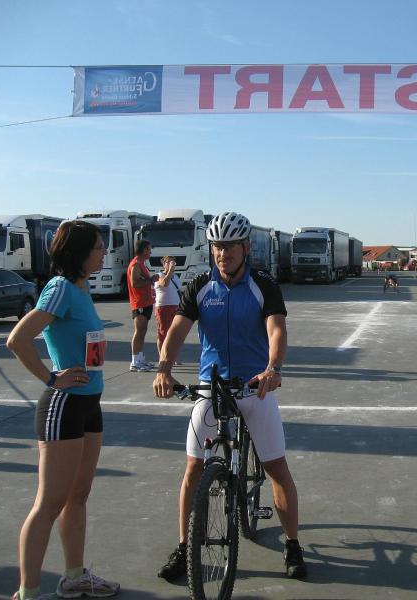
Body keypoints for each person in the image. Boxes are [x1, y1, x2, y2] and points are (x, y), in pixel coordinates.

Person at [152, 212, 307, 581]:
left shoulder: (263, 285)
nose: (223, 253)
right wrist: (163, 369)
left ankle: (292, 543)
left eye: (230, 246)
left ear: (245, 247)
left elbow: (277, 330)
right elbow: (177, 330)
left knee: (276, 467)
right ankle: (184, 547)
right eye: (217, 247)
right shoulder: (200, 285)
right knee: (193, 468)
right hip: (212, 386)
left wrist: (273, 368)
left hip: (255, 386)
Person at [6, 220, 119, 600]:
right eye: (99, 246)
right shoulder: (60, 288)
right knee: (50, 503)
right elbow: (18, 339)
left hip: (90, 406)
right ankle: (28, 592)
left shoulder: (83, 289)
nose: (104, 252)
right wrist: (51, 378)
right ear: (79, 252)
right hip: (64, 406)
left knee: (78, 496)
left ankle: (73, 576)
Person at [127, 240, 158, 372]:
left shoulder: (141, 263)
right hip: (139, 302)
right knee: (139, 331)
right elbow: (134, 283)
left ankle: (140, 359)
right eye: (149, 249)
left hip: (145, 302)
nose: (150, 252)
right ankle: (135, 362)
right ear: (144, 250)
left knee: (142, 331)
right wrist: (150, 280)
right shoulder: (136, 264)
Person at [153, 255, 183, 362]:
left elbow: (179, 291)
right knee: (163, 333)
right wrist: (170, 270)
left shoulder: (176, 277)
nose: (171, 264)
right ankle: (162, 358)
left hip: (176, 307)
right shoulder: (158, 275)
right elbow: (165, 283)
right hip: (163, 307)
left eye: (172, 262)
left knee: (174, 334)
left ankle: (171, 357)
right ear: (163, 264)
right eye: (168, 262)